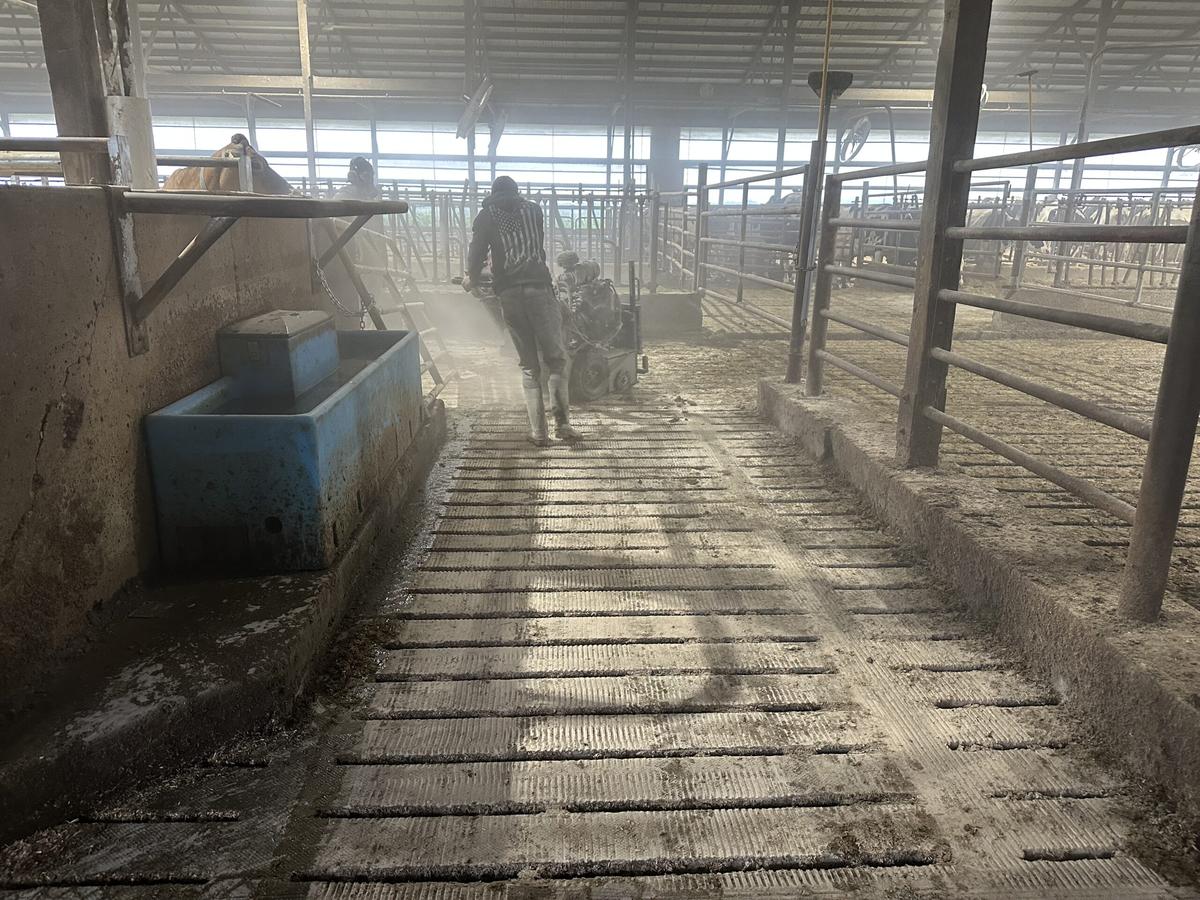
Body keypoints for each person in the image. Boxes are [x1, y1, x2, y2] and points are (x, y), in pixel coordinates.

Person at [463, 176, 582, 445]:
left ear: (493, 194)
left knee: (529, 366)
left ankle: (539, 433)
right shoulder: (534, 210)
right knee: (556, 360)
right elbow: (528, 244)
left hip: (509, 294)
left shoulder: (486, 216)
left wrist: (471, 277)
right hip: (539, 289)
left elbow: (477, 252)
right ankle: (563, 426)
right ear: (517, 192)